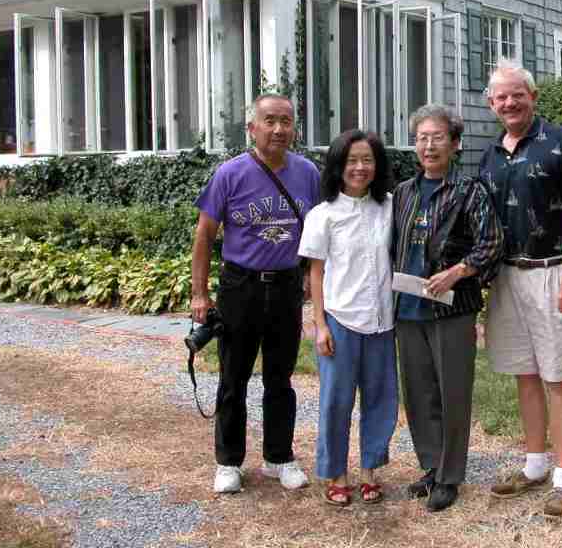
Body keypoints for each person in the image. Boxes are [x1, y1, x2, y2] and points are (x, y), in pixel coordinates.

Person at [479, 61, 562, 516]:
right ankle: (534, 467)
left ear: (533, 96)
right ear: (491, 104)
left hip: (553, 273)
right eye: (500, 98)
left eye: (517, 95)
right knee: (525, 373)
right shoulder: (491, 154)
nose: (509, 103)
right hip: (508, 277)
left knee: (557, 376)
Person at [191, 93, 320, 494]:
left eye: (286, 121)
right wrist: (199, 294)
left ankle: (278, 457)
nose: (279, 129)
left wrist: (314, 291)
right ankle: (228, 461)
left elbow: (318, 234)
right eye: (270, 121)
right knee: (233, 379)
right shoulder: (229, 174)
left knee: (280, 379)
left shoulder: (308, 173)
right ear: (252, 128)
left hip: (285, 287)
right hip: (239, 287)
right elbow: (205, 235)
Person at [392, 104, 503, 512]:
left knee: (452, 393)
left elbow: (491, 243)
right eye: (422, 137)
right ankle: (430, 466)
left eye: (438, 137)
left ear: (455, 144)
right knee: (419, 393)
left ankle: (450, 476)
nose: (429, 145)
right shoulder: (403, 192)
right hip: (408, 309)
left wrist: (458, 272)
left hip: (451, 309)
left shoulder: (469, 191)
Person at [298, 129, 398, 507]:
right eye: (352, 160)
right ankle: (336, 473)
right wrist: (320, 325)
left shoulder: (389, 206)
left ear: (377, 165)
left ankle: (371, 470)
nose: (360, 167)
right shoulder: (323, 215)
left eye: (367, 160)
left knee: (380, 399)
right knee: (337, 401)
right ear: (338, 166)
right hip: (341, 320)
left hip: (382, 321)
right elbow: (316, 274)